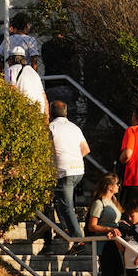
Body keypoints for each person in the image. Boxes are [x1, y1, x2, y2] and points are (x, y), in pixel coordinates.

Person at [48, 101, 89, 239]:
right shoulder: (75, 128)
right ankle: (65, 230)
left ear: (51, 113)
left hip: (64, 171)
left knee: (66, 206)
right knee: (61, 200)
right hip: (78, 170)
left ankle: (78, 240)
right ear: (66, 112)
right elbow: (85, 149)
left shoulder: (51, 127)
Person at [87, 174, 125, 276]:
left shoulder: (114, 202)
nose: (119, 186)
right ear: (110, 186)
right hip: (104, 244)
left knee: (119, 273)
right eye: (117, 183)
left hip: (115, 242)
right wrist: (108, 228)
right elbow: (92, 226)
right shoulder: (99, 203)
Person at [9, 49, 47, 115]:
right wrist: (46, 116)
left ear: (11, 59)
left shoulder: (11, 70)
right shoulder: (33, 72)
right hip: (39, 110)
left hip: (25, 110)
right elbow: (44, 96)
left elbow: (12, 88)